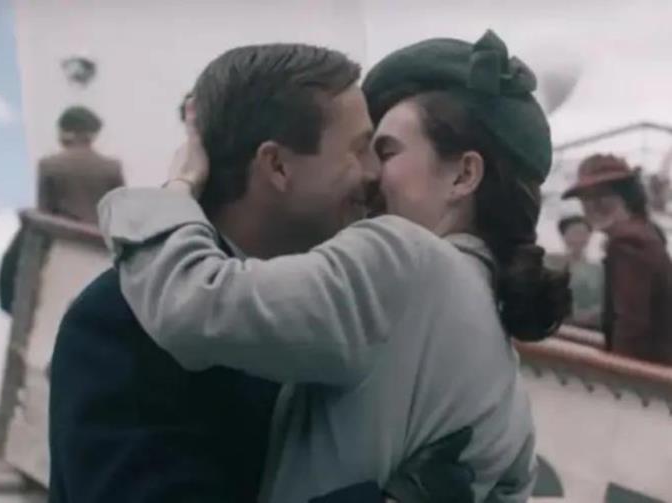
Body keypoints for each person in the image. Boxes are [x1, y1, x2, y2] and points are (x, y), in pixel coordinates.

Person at [99, 31, 571, 502]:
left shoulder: (402, 258)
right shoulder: (508, 381)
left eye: (386, 152)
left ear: (464, 175)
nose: (371, 175)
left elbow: (194, 304)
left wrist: (179, 186)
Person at [49, 44, 474, 503]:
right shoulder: (119, 323)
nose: (375, 174)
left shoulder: (332, 305)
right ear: (277, 166)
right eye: (359, 150)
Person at [563, 154, 672, 364]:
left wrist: (616, 371)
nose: (592, 206)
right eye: (585, 199)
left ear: (627, 197)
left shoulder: (628, 243)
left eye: (602, 197)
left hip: (648, 373)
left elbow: (631, 325)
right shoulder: (645, 234)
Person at [38, 106, 124, 225]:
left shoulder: (49, 166)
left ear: (66, 133)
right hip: (100, 235)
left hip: (65, 235)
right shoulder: (112, 167)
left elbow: (44, 216)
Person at [546, 215, 603, 329]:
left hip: (589, 325)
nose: (579, 238)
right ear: (564, 236)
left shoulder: (598, 270)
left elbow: (603, 300)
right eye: (575, 233)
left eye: (584, 233)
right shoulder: (549, 261)